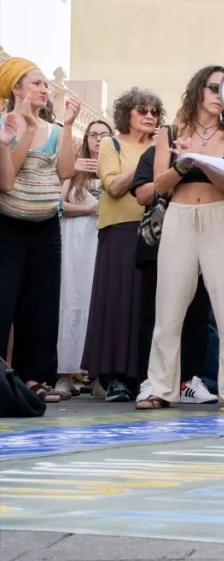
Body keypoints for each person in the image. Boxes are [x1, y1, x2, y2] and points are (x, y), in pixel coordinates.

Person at [134, 65, 224, 410]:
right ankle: (160, 386)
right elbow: (159, 185)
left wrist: (207, 163)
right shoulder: (169, 132)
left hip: (221, 216)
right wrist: (183, 164)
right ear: (199, 90)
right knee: (168, 309)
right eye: (215, 87)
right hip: (180, 217)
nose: (220, 96)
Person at [0, 57, 80, 404]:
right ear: (16, 88)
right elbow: (6, 180)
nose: (44, 89)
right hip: (9, 225)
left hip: (46, 224)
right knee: (5, 302)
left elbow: (65, 172)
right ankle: (3, 378)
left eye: (45, 84)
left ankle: (35, 379)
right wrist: (26, 129)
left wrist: (68, 125)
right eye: (36, 83)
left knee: (42, 303)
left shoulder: (58, 131)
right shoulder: (4, 126)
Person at [81, 87, 161, 402]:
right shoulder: (110, 144)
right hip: (118, 231)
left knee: (144, 306)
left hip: (153, 232)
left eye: (154, 111)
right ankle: (112, 377)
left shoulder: (160, 146)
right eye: (142, 110)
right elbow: (112, 185)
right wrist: (146, 165)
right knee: (115, 304)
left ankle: (140, 376)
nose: (149, 116)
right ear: (127, 113)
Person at [129, 128, 214, 406]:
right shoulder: (153, 154)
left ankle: (188, 380)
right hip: (160, 243)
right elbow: (144, 194)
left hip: (199, 240)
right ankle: (150, 381)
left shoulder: (210, 155)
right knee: (155, 316)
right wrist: (178, 169)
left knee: (197, 314)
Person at [55, 118, 112, 397]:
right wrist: (90, 208)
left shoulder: (115, 167)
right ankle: (65, 373)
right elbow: (58, 205)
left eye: (104, 134)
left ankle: (97, 375)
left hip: (103, 243)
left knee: (98, 305)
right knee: (71, 301)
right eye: (93, 135)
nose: (99, 139)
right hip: (76, 242)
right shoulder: (74, 168)